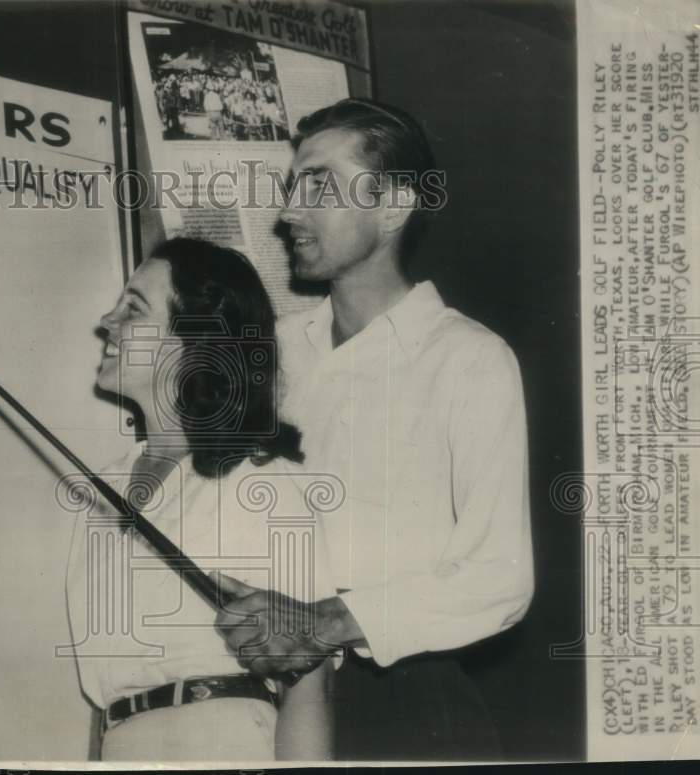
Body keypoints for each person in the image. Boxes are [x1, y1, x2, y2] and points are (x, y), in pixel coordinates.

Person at [213, 98, 535, 759]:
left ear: (393, 207)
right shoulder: (270, 352)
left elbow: (501, 578)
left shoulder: (469, 359)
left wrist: (324, 621)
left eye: (320, 184)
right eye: (293, 185)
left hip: (408, 710)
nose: (288, 213)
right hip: (267, 708)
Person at [64, 238, 336, 762]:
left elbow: (311, 678)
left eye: (133, 308)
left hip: (222, 739)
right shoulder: (101, 487)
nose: (106, 320)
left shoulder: (263, 481)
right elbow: (108, 687)